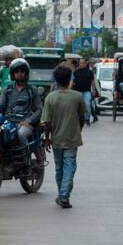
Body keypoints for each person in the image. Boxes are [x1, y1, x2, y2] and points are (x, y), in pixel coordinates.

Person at [41, 62, 85, 209]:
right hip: (72, 139)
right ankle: (63, 196)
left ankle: (62, 195)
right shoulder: (77, 96)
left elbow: (46, 122)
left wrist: (47, 139)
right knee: (69, 167)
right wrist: (78, 130)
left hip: (56, 139)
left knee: (59, 168)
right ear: (70, 79)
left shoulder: (50, 98)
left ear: (56, 80)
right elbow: (82, 117)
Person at [0, 58, 44, 158]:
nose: (19, 74)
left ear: (26, 73)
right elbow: (0, 107)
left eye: (22, 71)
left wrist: (29, 120)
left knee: (21, 134)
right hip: (9, 122)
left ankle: (25, 159)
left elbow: (39, 109)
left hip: (25, 123)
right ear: (13, 74)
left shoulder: (32, 90)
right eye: (17, 72)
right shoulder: (7, 90)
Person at [72, 56, 97, 124]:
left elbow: (93, 82)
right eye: (80, 63)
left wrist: (94, 91)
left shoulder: (89, 72)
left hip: (87, 91)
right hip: (77, 92)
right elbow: (72, 82)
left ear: (86, 64)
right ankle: (77, 119)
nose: (81, 64)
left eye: (83, 63)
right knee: (77, 106)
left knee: (87, 104)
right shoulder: (75, 72)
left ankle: (87, 118)